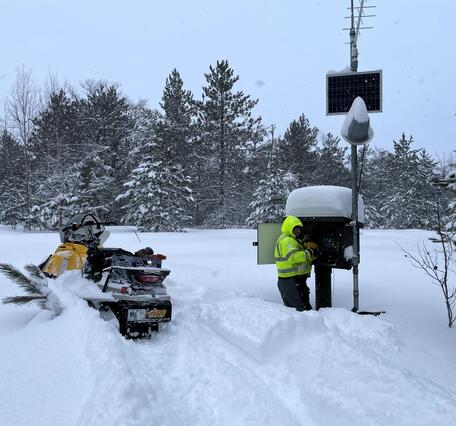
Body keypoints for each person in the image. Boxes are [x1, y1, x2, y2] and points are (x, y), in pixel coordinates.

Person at [274, 215, 318, 311]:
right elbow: (294, 258)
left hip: (296, 280)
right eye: (295, 229)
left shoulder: (293, 240)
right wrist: (309, 252)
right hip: (289, 282)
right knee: (298, 311)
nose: (298, 231)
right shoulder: (286, 241)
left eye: (298, 229)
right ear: (289, 228)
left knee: (304, 310)